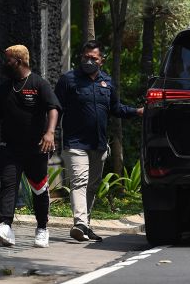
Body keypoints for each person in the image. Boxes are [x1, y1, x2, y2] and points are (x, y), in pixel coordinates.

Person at [55, 41, 143, 242]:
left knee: (92, 186)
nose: (89, 61)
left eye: (93, 58)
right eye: (86, 57)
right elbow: (55, 108)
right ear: (81, 57)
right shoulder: (68, 80)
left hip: (99, 144)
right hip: (75, 143)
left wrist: (137, 111)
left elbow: (116, 108)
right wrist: (49, 132)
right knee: (79, 181)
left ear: (101, 60)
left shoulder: (107, 82)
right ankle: (80, 223)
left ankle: (85, 225)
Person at [0, 45, 60, 248]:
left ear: (19, 61)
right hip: (10, 148)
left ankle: (42, 228)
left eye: (7, 60)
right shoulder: (5, 87)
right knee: (8, 185)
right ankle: (5, 227)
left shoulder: (39, 84)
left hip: (36, 149)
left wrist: (50, 132)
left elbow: (53, 108)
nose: (4, 64)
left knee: (39, 189)